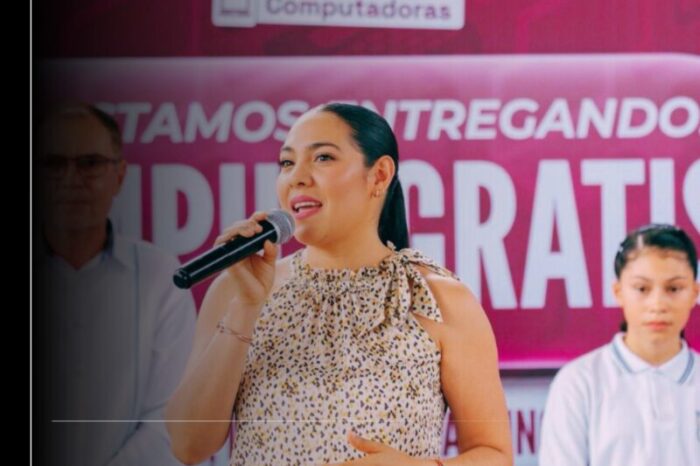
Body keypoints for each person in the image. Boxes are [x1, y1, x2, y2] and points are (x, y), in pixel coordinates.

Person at [166, 103, 513, 465]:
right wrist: (246, 308)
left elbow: (495, 455)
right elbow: (188, 446)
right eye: (287, 162)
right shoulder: (238, 288)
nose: (296, 177)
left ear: (379, 175)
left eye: (323, 158)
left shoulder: (436, 297)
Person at [33, 103, 197, 466]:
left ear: (120, 175)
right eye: (54, 164)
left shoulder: (161, 275)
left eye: (90, 163)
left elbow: (170, 417)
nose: (71, 179)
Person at [539, 224, 699, 466]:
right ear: (618, 291)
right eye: (642, 289)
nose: (658, 304)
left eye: (674, 288)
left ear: (695, 293)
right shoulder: (579, 383)